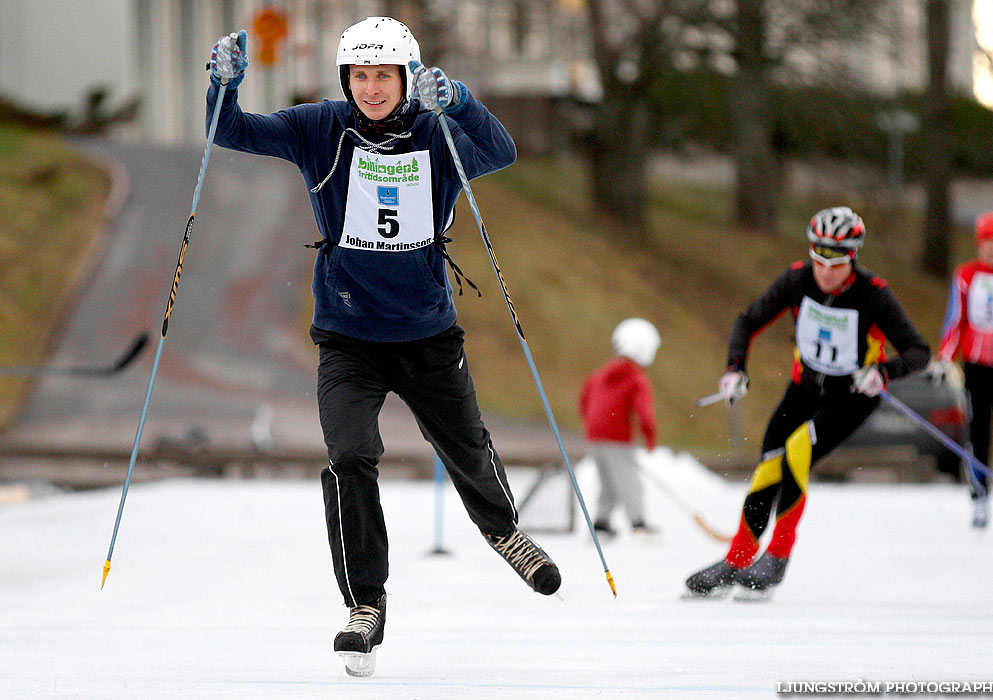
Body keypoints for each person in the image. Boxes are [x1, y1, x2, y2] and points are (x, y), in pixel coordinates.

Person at [206, 17, 561, 676]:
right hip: (348, 337)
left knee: (465, 445)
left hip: (427, 332)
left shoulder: (434, 133)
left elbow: (501, 149)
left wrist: (459, 102)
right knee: (349, 454)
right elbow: (228, 131)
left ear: (405, 78)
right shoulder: (319, 128)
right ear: (347, 79)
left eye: (384, 76)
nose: (371, 89)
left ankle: (502, 532)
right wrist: (223, 85)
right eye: (360, 76)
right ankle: (365, 604)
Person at [685, 206, 929, 599]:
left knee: (798, 450)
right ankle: (738, 558)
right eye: (818, 259)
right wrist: (735, 368)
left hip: (851, 396)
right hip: (804, 389)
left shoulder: (874, 295)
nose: (825, 271)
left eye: (835, 263)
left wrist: (884, 373)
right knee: (769, 465)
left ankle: (777, 558)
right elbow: (747, 321)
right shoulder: (798, 280)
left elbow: (919, 351)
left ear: (852, 258)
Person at [933, 210, 993, 528]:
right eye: (986, 243)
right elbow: (956, 319)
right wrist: (944, 356)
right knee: (977, 432)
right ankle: (979, 496)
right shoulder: (966, 275)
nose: (992, 249)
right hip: (977, 365)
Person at [579, 318, 661, 537]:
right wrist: (650, 435)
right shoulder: (635, 378)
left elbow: (584, 400)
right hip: (618, 437)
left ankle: (602, 523)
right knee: (629, 479)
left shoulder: (600, 374)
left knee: (608, 480)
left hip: (594, 435)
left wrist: (591, 426)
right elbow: (643, 410)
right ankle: (638, 523)